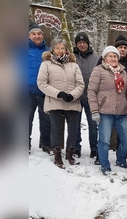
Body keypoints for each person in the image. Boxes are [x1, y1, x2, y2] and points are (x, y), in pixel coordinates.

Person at [37, 38, 85, 169]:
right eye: (57, 48)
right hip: (55, 101)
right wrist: (58, 93)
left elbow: (80, 84)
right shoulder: (46, 64)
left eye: (62, 48)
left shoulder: (73, 65)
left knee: (73, 129)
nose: (60, 50)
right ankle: (57, 155)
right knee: (56, 129)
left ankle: (70, 154)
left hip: (72, 101)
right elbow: (41, 83)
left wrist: (72, 95)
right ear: (52, 49)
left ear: (66, 50)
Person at [87, 46, 127, 175]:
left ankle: (121, 160)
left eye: (115, 56)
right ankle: (105, 165)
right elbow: (91, 91)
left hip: (122, 112)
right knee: (104, 140)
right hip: (105, 111)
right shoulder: (98, 71)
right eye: (110, 56)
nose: (113, 58)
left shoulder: (123, 72)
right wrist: (94, 110)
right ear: (105, 58)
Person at [73, 32, 100, 164]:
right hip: (76, 96)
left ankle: (94, 148)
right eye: (79, 42)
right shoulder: (71, 57)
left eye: (84, 42)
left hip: (91, 97)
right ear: (76, 44)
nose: (82, 44)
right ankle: (76, 147)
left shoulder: (96, 58)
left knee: (93, 124)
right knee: (75, 124)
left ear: (88, 44)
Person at [29, 21, 51, 154]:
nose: (37, 36)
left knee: (46, 120)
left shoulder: (48, 51)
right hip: (26, 91)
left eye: (39, 34)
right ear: (29, 36)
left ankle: (46, 144)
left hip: (44, 91)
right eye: (34, 34)